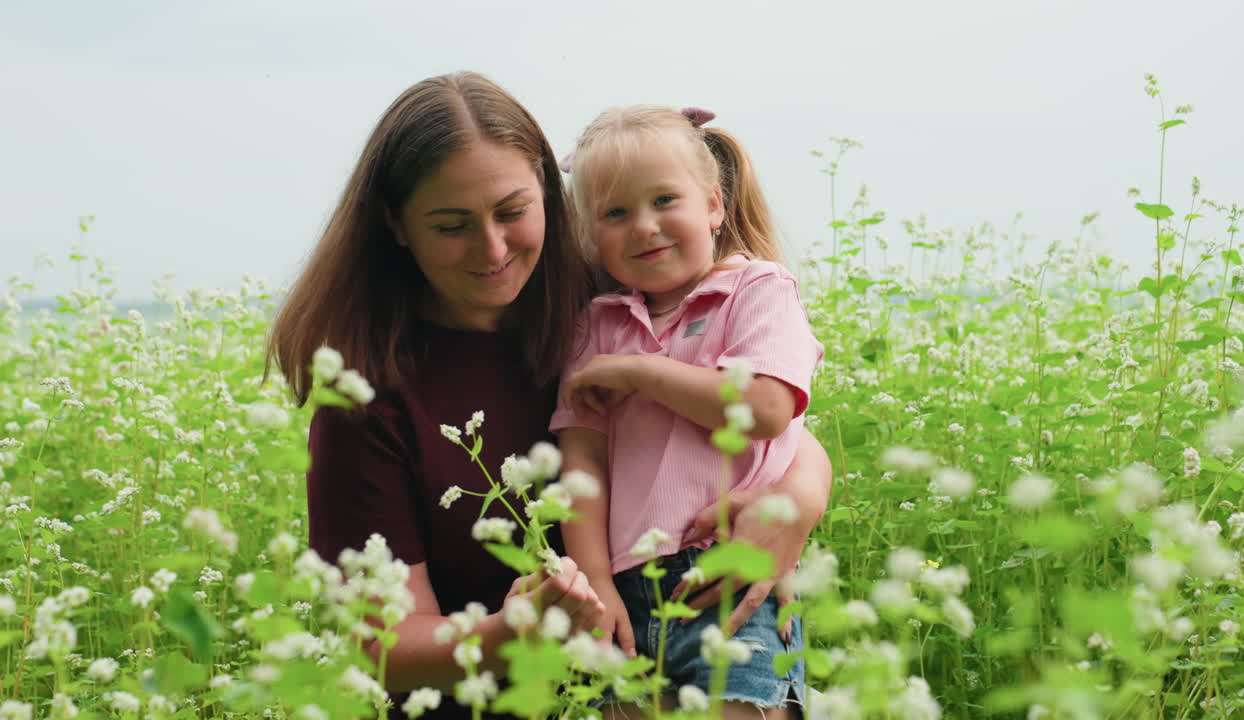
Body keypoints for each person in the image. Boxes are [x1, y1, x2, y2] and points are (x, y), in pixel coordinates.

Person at [267, 73, 831, 719]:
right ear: (396, 224)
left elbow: (772, 420)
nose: (493, 248)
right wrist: (506, 635)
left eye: (512, 212)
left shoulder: (605, 305)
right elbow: (382, 646)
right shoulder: (368, 398)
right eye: (452, 225)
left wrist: (796, 500)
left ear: (550, 196)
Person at [552, 105, 822, 718]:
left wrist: (639, 371)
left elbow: (765, 407)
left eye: (664, 201)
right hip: (623, 587)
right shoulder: (597, 323)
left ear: (714, 205)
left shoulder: (757, 290)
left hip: (725, 575)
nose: (644, 227)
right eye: (616, 213)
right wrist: (593, 579)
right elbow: (582, 456)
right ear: (592, 235)